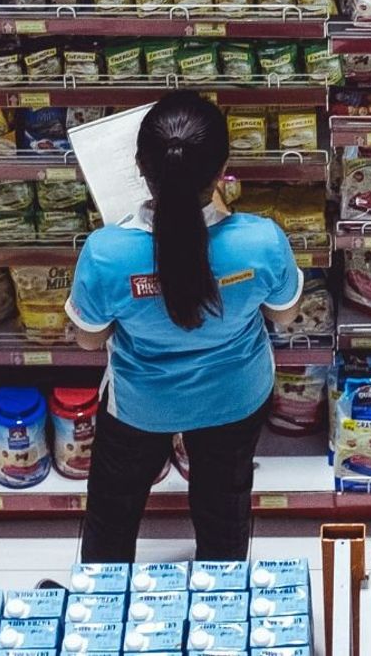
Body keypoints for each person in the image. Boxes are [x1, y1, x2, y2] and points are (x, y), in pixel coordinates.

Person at [65, 91, 303, 562]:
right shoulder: (261, 241)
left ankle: (103, 598)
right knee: (224, 507)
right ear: (223, 170)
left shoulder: (106, 252)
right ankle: (222, 593)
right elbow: (284, 314)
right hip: (234, 397)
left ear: (139, 167)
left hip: (141, 405)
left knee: (113, 510)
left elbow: (89, 339)